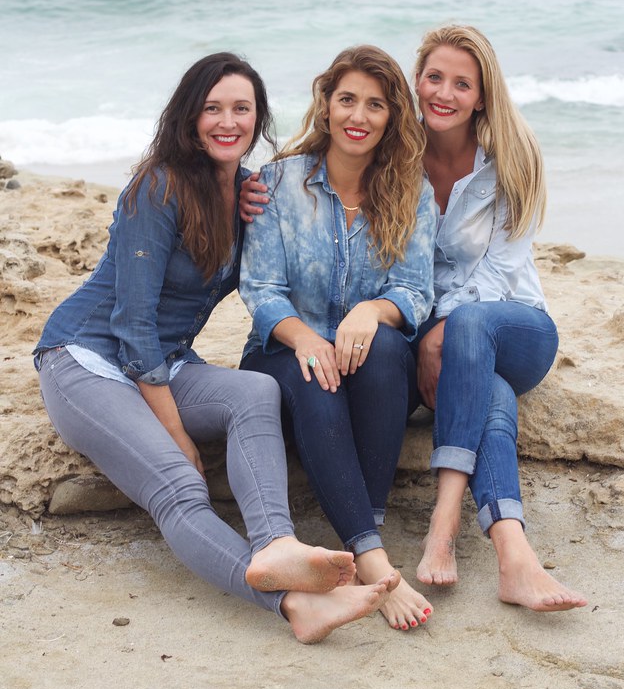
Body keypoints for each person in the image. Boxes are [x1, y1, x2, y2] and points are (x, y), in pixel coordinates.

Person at [33, 52, 400, 645]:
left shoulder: (246, 193)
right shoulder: (157, 186)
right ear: (188, 117)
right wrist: (177, 431)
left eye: (241, 109)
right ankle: (289, 606)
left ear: (258, 120)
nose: (227, 122)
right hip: (86, 359)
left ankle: (277, 544)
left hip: (167, 358)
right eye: (212, 108)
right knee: (181, 486)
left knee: (256, 388)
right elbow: (130, 323)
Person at [239, 45, 437, 631]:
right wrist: (303, 338)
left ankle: (364, 522)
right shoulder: (278, 182)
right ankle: (372, 555)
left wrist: (372, 311)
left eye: (376, 104)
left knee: (380, 348)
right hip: (283, 353)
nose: (359, 114)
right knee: (315, 376)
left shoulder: (410, 190)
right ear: (325, 106)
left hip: (369, 362)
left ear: (392, 117)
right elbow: (261, 288)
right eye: (347, 98)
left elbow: (416, 292)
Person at [412, 24, 587, 611]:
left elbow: (499, 274)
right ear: (416, 81)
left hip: (518, 329)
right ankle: (514, 557)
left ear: (482, 95)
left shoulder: (511, 159)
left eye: (463, 83)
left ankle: (443, 521)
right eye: (434, 77)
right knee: (488, 395)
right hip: (456, 349)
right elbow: (324, 158)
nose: (445, 92)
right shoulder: (396, 159)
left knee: (468, 325)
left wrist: (436, 333)